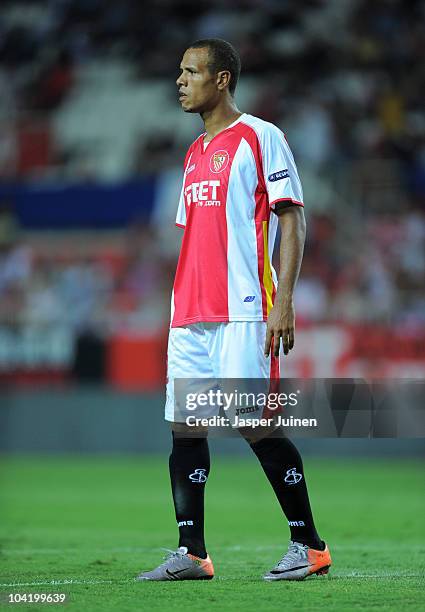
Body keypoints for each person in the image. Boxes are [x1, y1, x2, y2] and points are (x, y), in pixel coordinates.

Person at [137, 39, 331, 582]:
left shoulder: (260, 136)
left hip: (244, 310)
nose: (180, 80)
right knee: (184, 429)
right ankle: (192, 553)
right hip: (189, 315)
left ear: (222, 80)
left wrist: (283, 301)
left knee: (255, 426)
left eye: (191, 71)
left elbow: (291, 218)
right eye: (178, 71)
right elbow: (195, 237)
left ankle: (309, 546)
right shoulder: (194, 153)